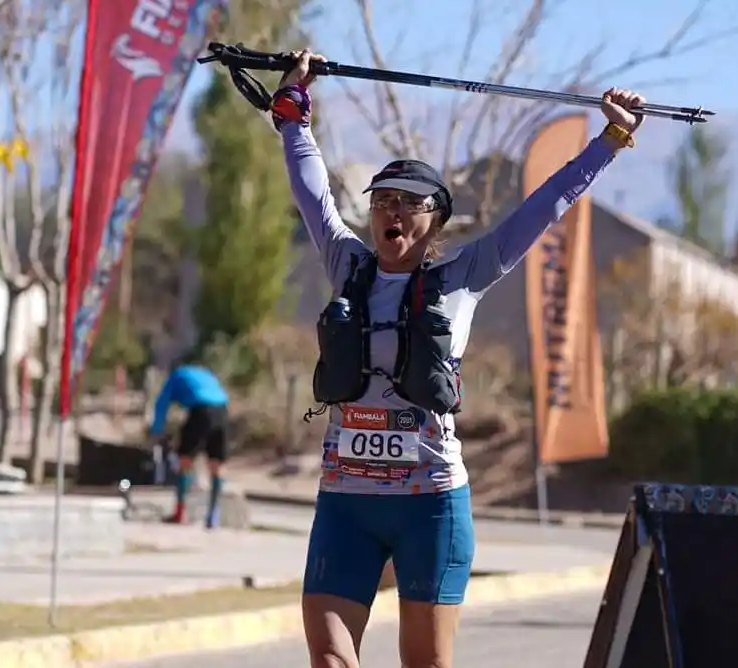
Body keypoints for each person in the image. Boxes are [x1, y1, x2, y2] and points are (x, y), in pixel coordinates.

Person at [272, 48, 645, 668]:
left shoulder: (463, 274)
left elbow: (544, 205)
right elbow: (311, 190)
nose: (392, 211)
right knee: (330, 659)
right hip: (346, 500)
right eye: (383, 199)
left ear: (434, 218)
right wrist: (294, 110)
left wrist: (609, 139)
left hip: (431, 504)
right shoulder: (347, 263)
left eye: (409, 203)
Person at [149, 363, 230, 528]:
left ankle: (180, 513)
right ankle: (213, 516)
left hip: (200, 411)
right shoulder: (206, 373)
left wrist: (157, 432)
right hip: (222, 410)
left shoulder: (176, 376)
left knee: (185, 461)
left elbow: (161, 404)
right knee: (216, 463)